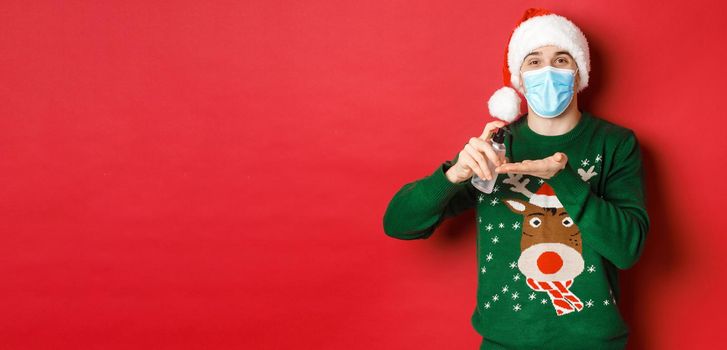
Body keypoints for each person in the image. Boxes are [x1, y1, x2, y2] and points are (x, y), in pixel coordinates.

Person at [382, 8, 650, 350]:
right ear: (519, 76)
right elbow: (399, 224)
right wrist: (454, 175)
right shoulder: (496, 146)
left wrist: (563, 178)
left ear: (579, 71)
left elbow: (627, 249)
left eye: (561, 59)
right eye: (534, 61)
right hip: (505, 342)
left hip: (592, 342)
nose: (548, 71)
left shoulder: (615, 144)